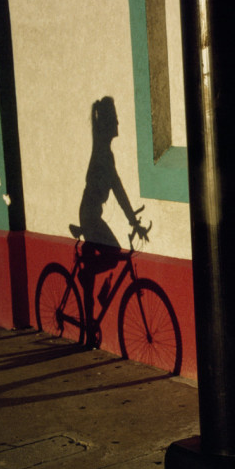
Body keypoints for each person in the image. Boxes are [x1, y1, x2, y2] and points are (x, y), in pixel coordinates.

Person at [76, 97, 147, 346]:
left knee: (100, 262)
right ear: (108, 123)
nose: (118, 122)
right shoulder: (102, 153)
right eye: (114, 118)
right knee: (113, 252)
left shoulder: (105, 152)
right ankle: (86, 279)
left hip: (91, 213)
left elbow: (117, 188)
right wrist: (132, 221)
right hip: (89, 215)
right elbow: (116, 188)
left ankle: (88, 332)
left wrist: (133, 220)